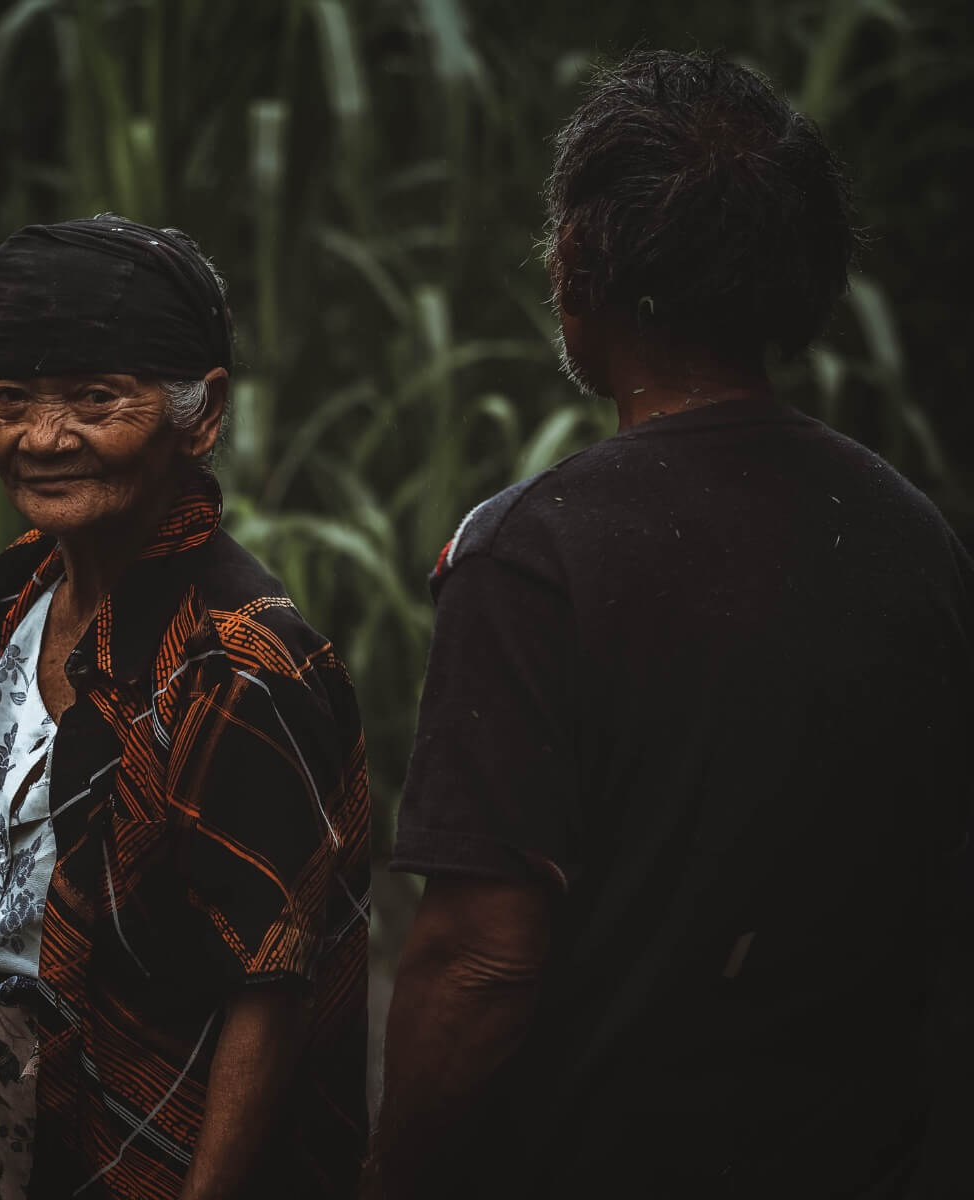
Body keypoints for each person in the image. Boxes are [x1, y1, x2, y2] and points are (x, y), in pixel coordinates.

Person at [371, 50, 974, 1198]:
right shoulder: (916, 538)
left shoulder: (530, 556)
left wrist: (387, 1175)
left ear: (577, 266)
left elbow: (479, 961)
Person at [0, 216, 370, 1199]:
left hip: (141, 1151)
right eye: (12, 400)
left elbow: (267, 993)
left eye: (97, 399)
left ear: (202, 416)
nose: (45, 439)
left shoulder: (236, 661)